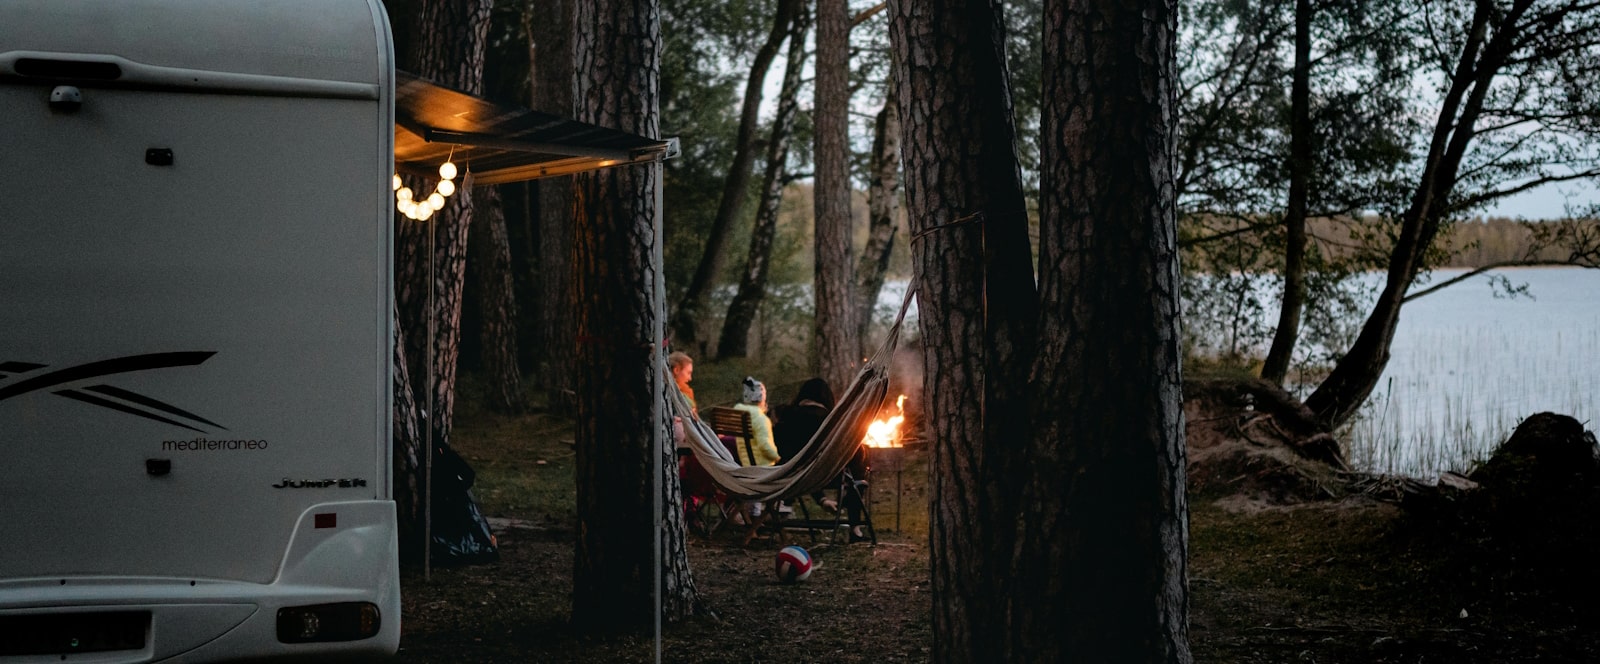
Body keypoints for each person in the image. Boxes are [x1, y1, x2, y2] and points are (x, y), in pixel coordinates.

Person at [772, 377, 868, 540]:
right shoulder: (833, 422)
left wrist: (821, 499)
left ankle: (776, 514)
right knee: (859, 464)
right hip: (828, 477)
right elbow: (854, 456)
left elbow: (792, 458)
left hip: (789, 476)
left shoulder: (785, 418)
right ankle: (855, 528)